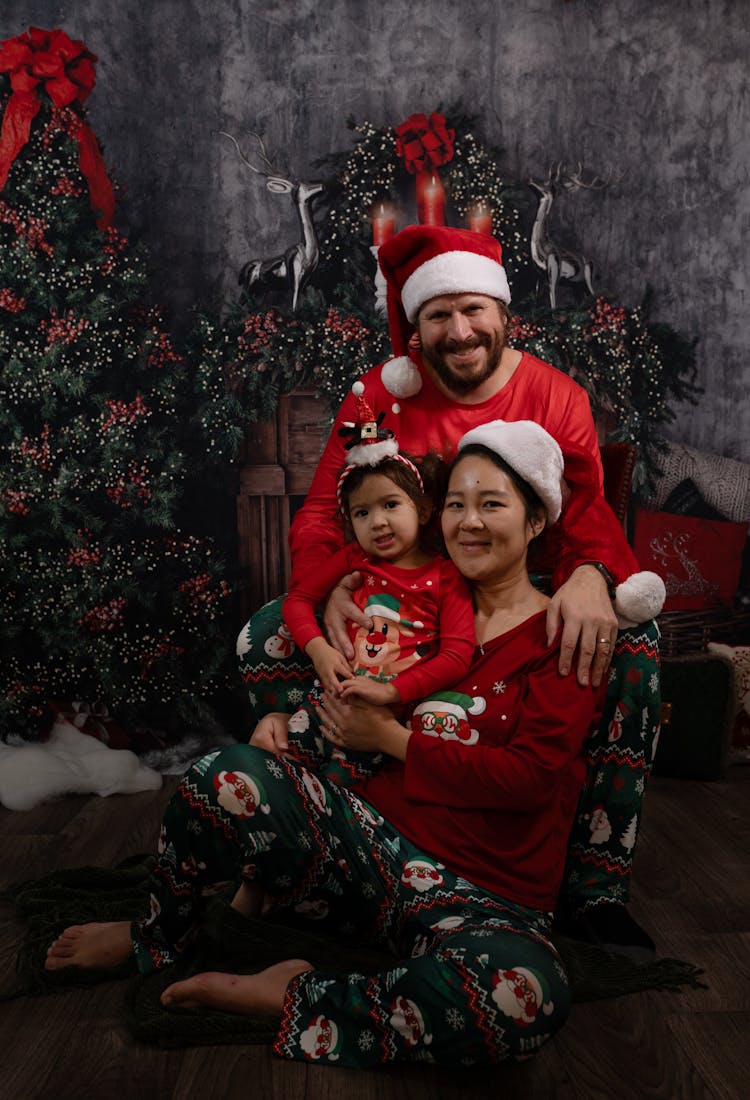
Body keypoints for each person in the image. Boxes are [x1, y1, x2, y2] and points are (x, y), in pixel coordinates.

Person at [46, 420, 608, 1069]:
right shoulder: (400, 605)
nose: (469, 522)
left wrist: (394, 740)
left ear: (537, 519)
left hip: (487, 898)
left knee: (524, 1000)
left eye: (492, 504)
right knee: (222, 774)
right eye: (456, 503)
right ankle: (158, 937)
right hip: (366, 859)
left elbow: (531, 779)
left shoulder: (566, 638)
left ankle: (294, 992)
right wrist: (286, 729)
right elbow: (320, 649)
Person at [237, 224, 665, 958]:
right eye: (438, 315)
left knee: (634, 646)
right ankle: (315, 832)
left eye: (474, 310)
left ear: (504, 314)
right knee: (265, 634)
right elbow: (320, 509)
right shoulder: (379, 394)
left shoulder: (555, 396)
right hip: (403, 596)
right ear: (417, 327)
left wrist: (593, 575)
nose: (460, 330)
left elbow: (587, 511)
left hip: (515, 592)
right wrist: (331, 582)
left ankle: (594, 889)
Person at [281, 380, 474, 781]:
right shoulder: (354, 559)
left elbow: (457, 655)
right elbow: (297, 602)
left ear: (422, 511)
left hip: (393, 714)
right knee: (285, 764)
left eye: (390, 505)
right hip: (335, 698)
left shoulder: (445, 574)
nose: (378, 522)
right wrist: (319, 650)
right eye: (362, 513)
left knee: (346, 784)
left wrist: (393, 692)